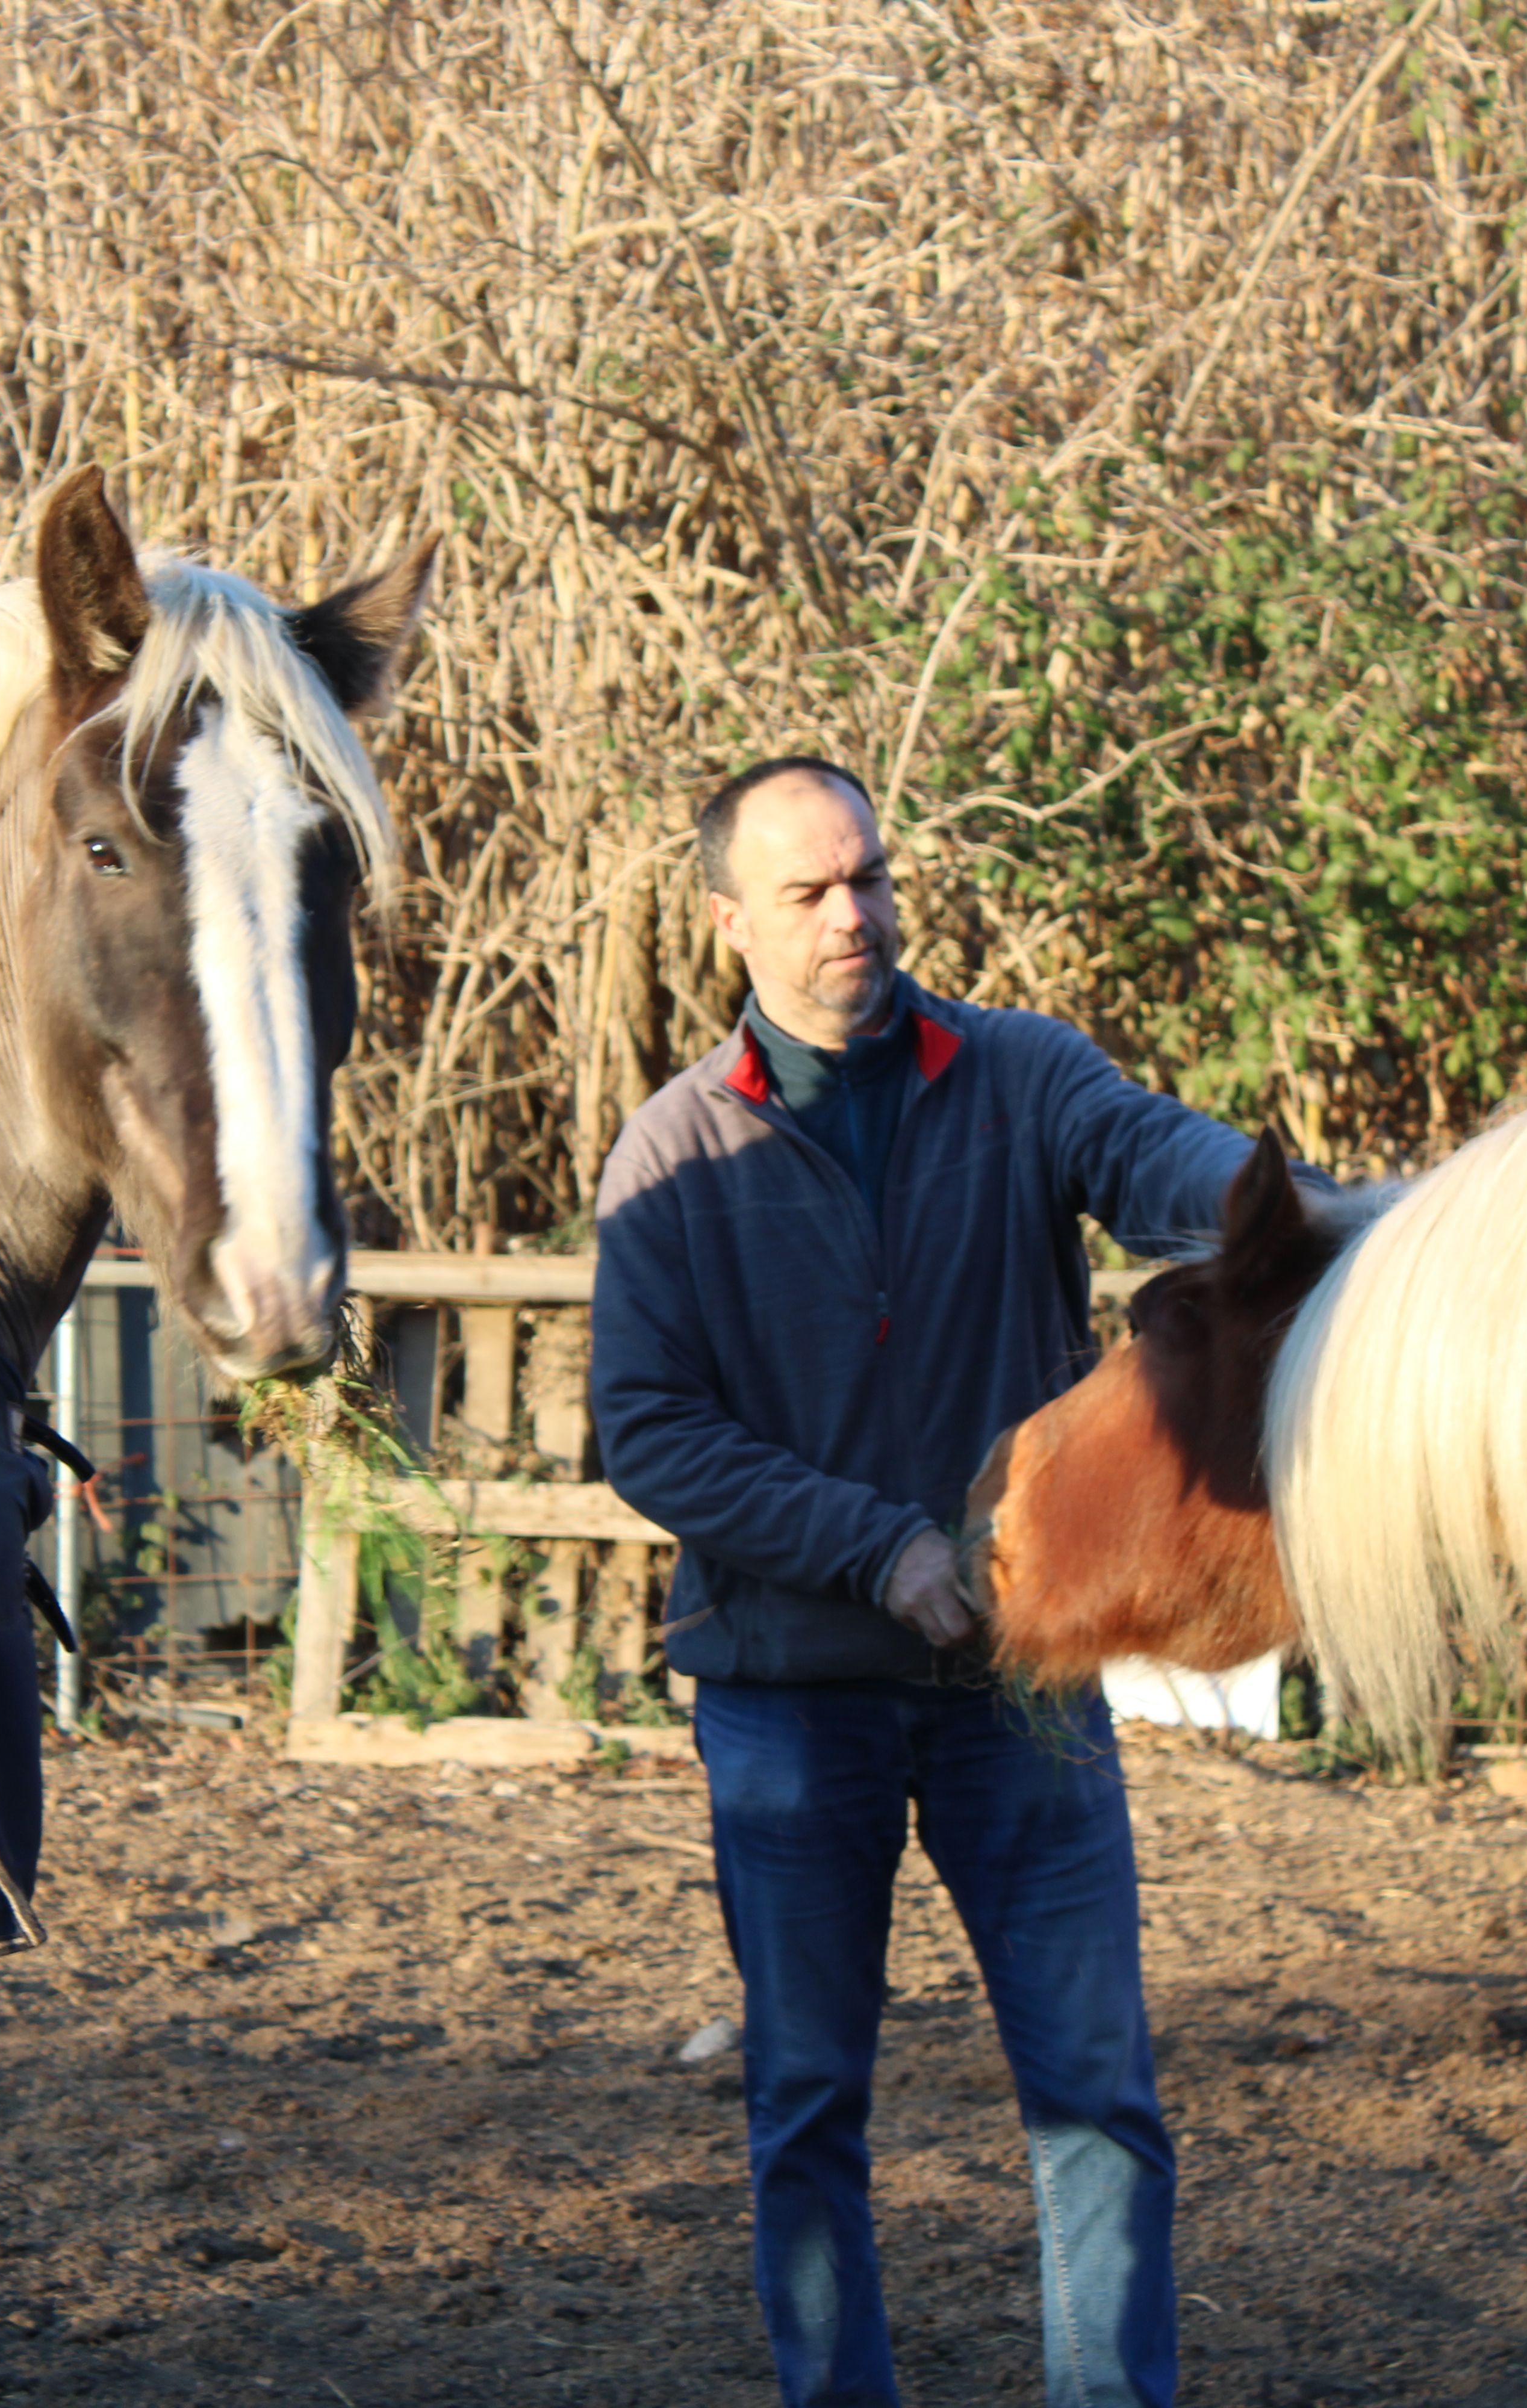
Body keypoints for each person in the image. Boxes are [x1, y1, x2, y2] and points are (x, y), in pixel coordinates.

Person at [589, 756, 1260, 2408]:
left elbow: (1146, 1148)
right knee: (809, 2099)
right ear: (729, 916)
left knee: (1098, 2090)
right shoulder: (671, 1159)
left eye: (871, 878)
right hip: (788, 1702)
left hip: (1017, 1696)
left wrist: (1280, 1211)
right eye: (810, 892)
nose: (855, 917)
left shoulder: (1021, 1076)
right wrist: (872, 1548)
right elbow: (649, 1430)